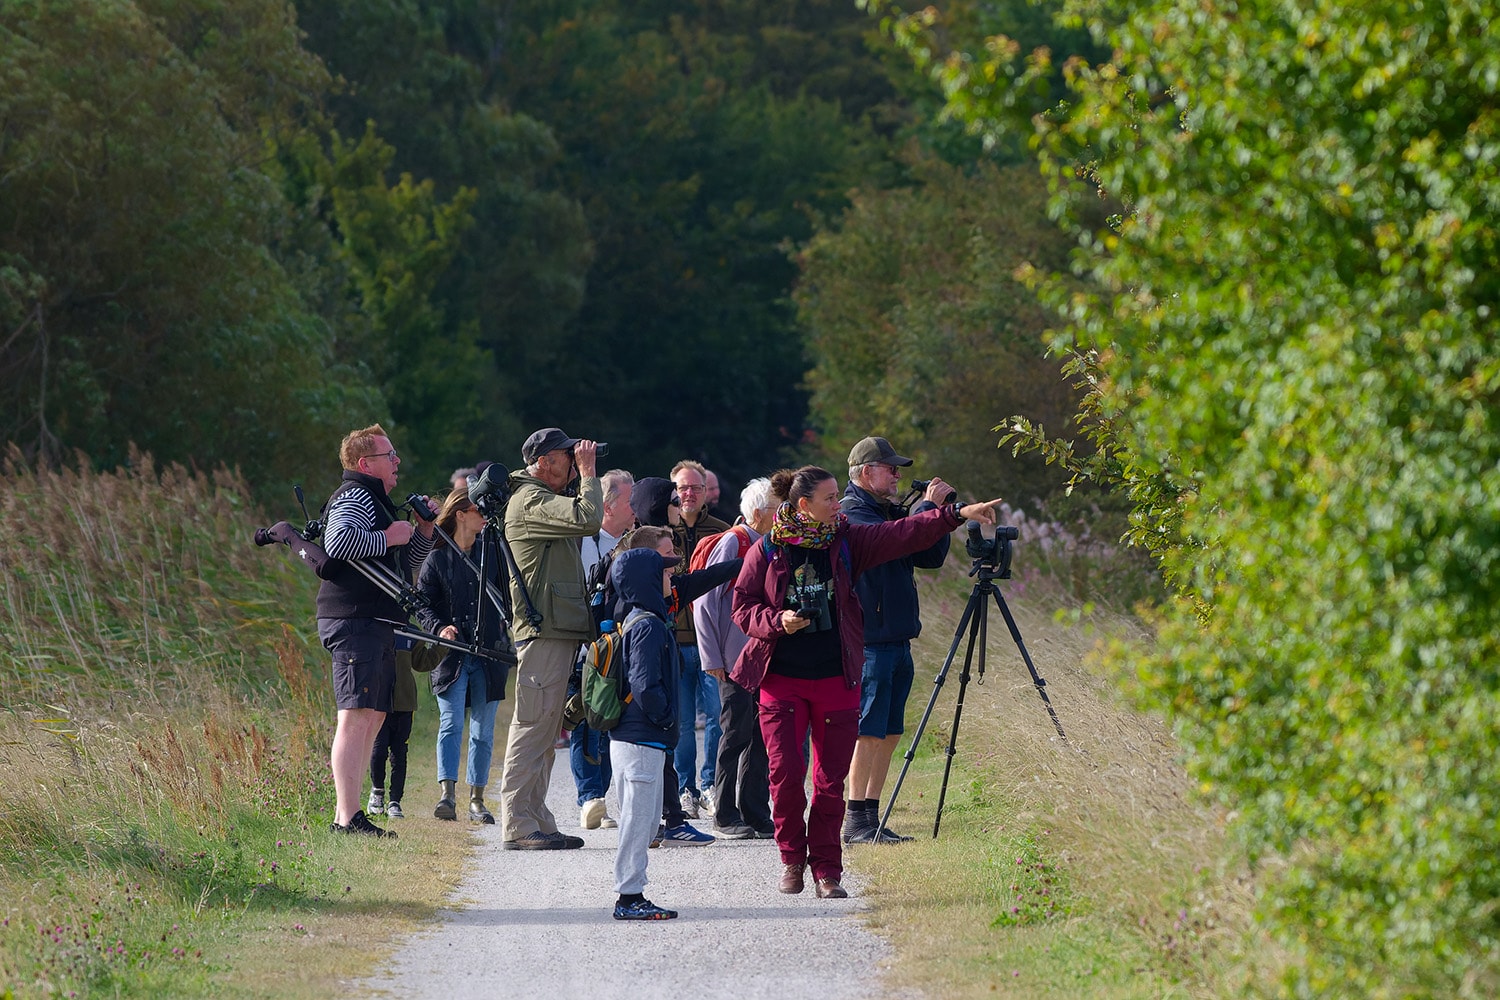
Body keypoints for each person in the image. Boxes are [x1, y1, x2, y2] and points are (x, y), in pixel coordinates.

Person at [731, 466, 1000, 897]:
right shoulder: (767, 549)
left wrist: (955, 513)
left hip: (836, 678)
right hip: (781, 680)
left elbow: (903, 533)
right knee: (785, 775)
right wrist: (778, 621)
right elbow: (742, 607)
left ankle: (826, 871)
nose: (838, 504)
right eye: (830, 498)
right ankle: (791, 859)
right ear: (804, 505)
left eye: (838, 495)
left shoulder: (846, 541)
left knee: (829, 782)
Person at [318, 423, 435, 838]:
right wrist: (388, 535)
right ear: (365, 463)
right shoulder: (355, 495)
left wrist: (422, 530)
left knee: (375, 714)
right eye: (390, 456)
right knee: (355, 716)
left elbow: (408, 564)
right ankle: (347, 817)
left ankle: (350, 814)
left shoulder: (377, 501)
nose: (397, 461)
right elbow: (337, 543)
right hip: (355, 619)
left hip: (377, 621)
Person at [840, 437, 954, 844]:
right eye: (890, 469)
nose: (897, 476)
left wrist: (939, 516)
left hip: (896, 638)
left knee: (889, 732)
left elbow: (930, 557)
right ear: (866, 472)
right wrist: (926, 510)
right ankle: (854, 819)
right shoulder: (852, 514)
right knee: (868, 731)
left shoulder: (885, 513)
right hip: (871, 641)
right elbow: (894, 539)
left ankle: (871, 815)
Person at [497, 427, 602, 850]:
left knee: (544, 731)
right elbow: (588, 518)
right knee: (531, 727)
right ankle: (518, 824)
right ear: (543, 461)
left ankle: (537, 817)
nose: (574, 461)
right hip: (542, 632)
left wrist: (579, 476)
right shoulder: (529, 501)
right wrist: (589, 474)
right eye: (566, 456)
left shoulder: (541, 497)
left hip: (555, 629)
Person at [416, 487, 512, 825]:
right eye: (476, 509)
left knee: (483, 730)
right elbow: (423, 605)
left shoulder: (494, 553)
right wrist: (440, 627)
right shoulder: (437, 559)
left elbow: (511, 597)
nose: (483, 515)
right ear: (460, 514)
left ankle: (477, 800)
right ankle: (447, 795)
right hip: (452, 655)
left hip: (490, 654)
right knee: (451, 724)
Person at [694, 477, 777, 839]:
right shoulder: (734, 541)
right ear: (758, 512)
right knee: (735, 734)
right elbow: (705, 602)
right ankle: (725, 814)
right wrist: (711, 657)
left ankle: (755, 813)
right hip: (734, 660)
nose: (783, 513)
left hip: (764, 657)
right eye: (777, 508)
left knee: (761, 737)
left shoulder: (771, 542)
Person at [606, 546, 683, 920]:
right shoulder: (648, 626)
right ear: (647, 580)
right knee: (638, 824)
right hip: (640, 739)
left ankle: (631, 894)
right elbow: (644, 685)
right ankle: (629, 898)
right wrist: (665, 718)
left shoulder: (638, 619)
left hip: (636, 739)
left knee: (646, 822)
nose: (670, 578)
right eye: (664, 573)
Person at [573, 468, 636, 830]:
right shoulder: (580, 542)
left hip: (623, 651)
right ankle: (590, 798)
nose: (635, 507)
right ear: (607, 506)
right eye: (629, 500)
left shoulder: (635, 543)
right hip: (587, 651)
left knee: (613, 723)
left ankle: (600, 796)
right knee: (586, 722)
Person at [668, 460, 729, 819]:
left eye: (695, 487)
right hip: (675, 642)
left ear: (707, 492)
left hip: (711, 643)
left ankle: (711, 785)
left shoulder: (721, 532)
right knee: (682, 722)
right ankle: (684, 789)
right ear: (674, 491)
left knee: (719, 718)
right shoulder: (659, 531)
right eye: (682, 488)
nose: (688, 494)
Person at [367, 640, 418, 821]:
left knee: (399, 753)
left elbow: (423, 662)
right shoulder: (375, 630)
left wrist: (442, 644)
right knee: (378, 750)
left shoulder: (411, 633)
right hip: (379, 702)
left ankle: (395, 801)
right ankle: (377, 792)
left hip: (404, 704)